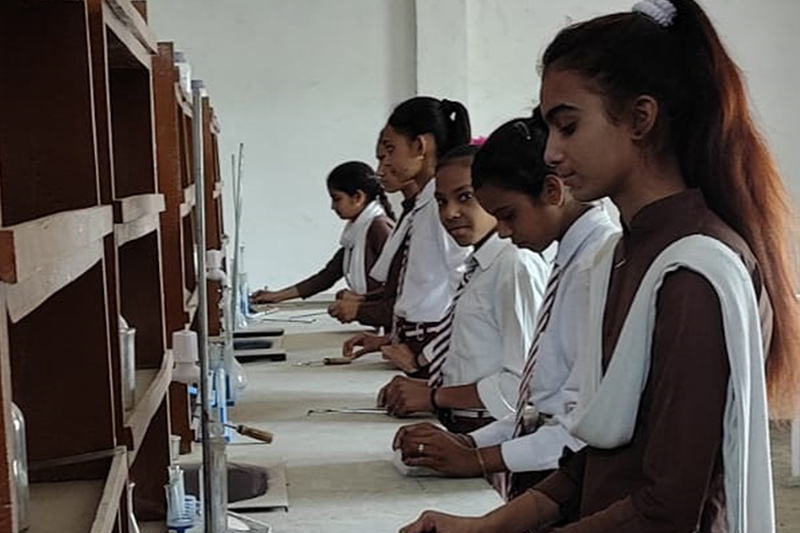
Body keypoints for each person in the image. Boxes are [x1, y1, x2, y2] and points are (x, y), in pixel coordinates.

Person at [400, 0, 800, 532]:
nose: (550, 153)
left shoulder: (694, 272)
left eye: (567, 127)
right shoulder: (623, 254)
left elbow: (668, 510)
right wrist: (482, 527)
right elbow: (597, 455)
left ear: (640, 119)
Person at [393, 113, 617, 499]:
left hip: (569, 475)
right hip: (544, 461)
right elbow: (540, 407)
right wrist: (471, 444)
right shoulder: (569, 258)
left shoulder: (595, 265)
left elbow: (578, 426)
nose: (502, 230)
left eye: (508, 215)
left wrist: (478, 457)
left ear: (552, 191)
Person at [378, 143, 549, 434]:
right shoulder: (478, 266)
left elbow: (523, 383)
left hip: (495, 433)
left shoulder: (515, 264)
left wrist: (435, 397)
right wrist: (424, 388)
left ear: (493, 195)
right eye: (441, 202)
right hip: (466, 426)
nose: (450, 213)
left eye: (465, 197)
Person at [341, 97, 472, 371]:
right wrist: (390, 339)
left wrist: (425, 358)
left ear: (420, 146)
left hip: (431, 346)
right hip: (416, 342)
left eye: (391, 149)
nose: (384, 165)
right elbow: (419, 288)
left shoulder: (440, 207)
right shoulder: (422, 205)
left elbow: (465, 288)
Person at [250, 161, 394, 325]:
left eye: (337, 199)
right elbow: (327, 276)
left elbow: (398, 285)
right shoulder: (356, 233)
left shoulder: (378, 227)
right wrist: (276, 296)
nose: (332, 206)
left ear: (357, 197)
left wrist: (362, 300)